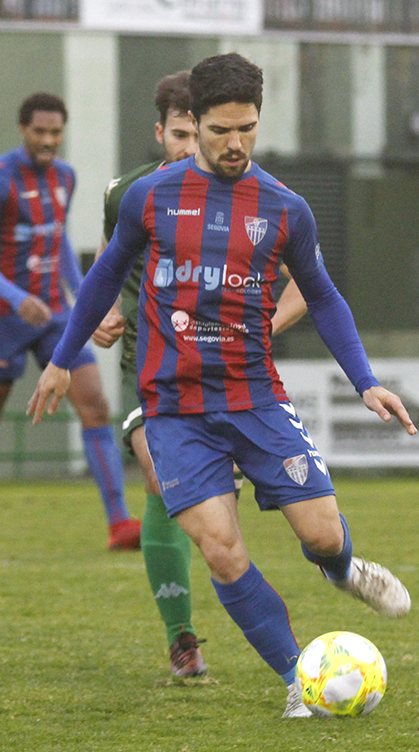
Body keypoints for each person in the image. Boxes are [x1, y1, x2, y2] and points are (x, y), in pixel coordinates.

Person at [28, 53, 415, 717]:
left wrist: (365, 381)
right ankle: (300, 680)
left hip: (255, 397)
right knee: (221, 548)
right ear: (193, 124)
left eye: (248, 129)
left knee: (322, 535)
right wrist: (63, 357)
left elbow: (321, 295)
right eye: (220, 130)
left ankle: (344, 569)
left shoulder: (285, 208)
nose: (236, 143)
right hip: (175, 410)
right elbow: (100, 279)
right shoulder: (149, 198)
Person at [91, 71, 307, 678]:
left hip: (226, 376)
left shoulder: (255, 197)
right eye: (182, 135)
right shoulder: (131, 195)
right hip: (149, 369)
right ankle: (182, 635)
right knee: (162, 482)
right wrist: (104, 316)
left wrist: (262, 328)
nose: (192, 148)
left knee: (217, 517)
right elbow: (111, 272)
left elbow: (308, 287)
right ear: (161, 132)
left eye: (201, 134)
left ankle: (276, 640)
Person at [0, 92, 141, 552]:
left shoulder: (65, 177)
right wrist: (18, 296)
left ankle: (119, 524)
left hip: (55, 315)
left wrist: (87, 299)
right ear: (23, 130)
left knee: (95, 406)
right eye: (39, 132)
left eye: (55, 132)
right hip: (3, 316)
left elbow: (58, 240)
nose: (48, 140)